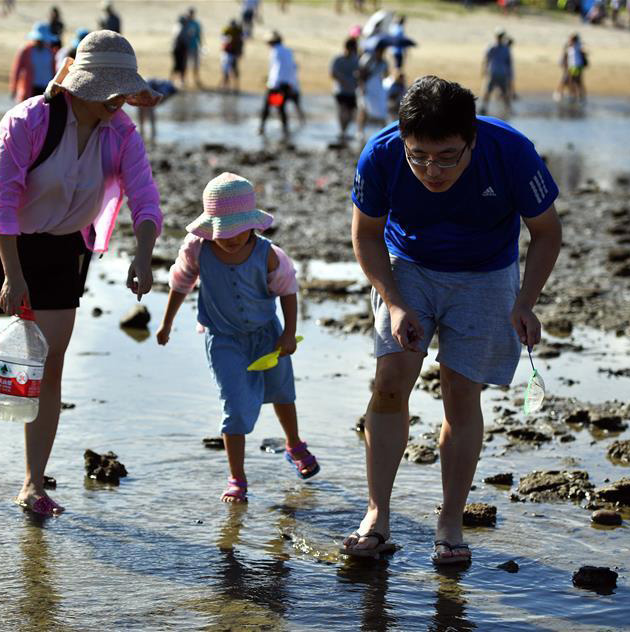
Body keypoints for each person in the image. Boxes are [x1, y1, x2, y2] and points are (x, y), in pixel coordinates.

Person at [0, 31, 164, 517]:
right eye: (110, 90)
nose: (118, 100)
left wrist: (145, 254)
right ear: (81, 85)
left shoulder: (122, 133)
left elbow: (145, 197)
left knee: (48, 369)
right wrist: (12, 274)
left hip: (62, 247)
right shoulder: (29, 120)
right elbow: (1, 202)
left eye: (123, 90)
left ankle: (32, 484)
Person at [341, 76, 561, 563]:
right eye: (418, 155)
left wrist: (525, 301)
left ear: (472, 140)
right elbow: (366, 235)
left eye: (446, 156)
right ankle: (377, 514)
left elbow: (546, 232)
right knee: (391, 381)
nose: (431, 170)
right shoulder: (380, 155)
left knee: (461, 395)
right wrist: (395, 303)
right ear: (403, 141)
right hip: (408, 268)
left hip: (486, 274)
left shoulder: (511, 152)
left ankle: (450, 520)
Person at [157, 172, 320, 503]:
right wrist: (166, 323)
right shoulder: (197, 249)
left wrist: (289, 333)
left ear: (252, 225)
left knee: (281, 391)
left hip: (267, 336)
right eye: (222, 232)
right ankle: (237, 478)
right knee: (233, 405)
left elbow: (288, 291)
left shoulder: (269, 254)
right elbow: (180, 283)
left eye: (236, 231)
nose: (229, 239)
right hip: (224, 340)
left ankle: (294, 444)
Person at [259, 31, 298, 137]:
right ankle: (285, 130)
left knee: (267, 106)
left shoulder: (275, 51)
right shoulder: (288, 51)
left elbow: (276, 69)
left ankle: (261, 128)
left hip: (276, 85)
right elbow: (291, 68)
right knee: (281, 107)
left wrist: (271, 83)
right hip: (287, 84)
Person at [10, 22, 58, 102]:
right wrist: (13, 88)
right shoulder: (25, 51)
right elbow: (17, 70)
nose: (40, 42)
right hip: (32, 88)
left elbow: (54, 70)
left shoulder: (50, 52)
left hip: (47, 88)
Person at [357, 41, 390, 137]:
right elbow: (360, 74)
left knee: (381, 109)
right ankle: (360, 131)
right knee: (363, 108)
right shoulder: (367, 59)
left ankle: (383, 131)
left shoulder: (383, 62)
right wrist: (362, 87)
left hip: (377, 87)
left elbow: (386, 75)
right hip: (366, 87)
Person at [331, 37, 361, 138]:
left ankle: (344, 131)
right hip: (340, 90)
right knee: (342, 111)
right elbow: (333, 74)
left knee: (351, 113)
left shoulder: (356, 60)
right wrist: (343, 81)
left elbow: (359, 74)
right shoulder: (338, 59)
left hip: (352, 91)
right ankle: (342, 131)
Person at [480, 29, 513, 115]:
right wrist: (483, 70)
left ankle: (508, 109)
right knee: (489, 91)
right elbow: (486, 59)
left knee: (503, 91)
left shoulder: (502, 48)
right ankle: (484, 107)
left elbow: (508, 63)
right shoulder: (494, 47)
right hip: (494, 72)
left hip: (499, 73)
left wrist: (483, 70)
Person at [221, 19, 245, 93]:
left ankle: (236, 86)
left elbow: (241, 42)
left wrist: (240, 52)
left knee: (234, 70)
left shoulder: (238, 31)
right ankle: (226, 86)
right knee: (226, 70)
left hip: (234, 53)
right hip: (227, 53)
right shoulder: (226, 30)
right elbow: (223, 39)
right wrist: (227, 40)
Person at [184, 7, 203, 88]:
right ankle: (185, 79)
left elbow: (199, 35)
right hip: (186, 47)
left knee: (196, 64)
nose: (190, 15)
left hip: (195, 47)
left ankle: (196, 79)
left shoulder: (196, 23)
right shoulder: (184, 23)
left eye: (192, 13)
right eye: (189, 13)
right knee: (185, 64)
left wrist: (201, 45)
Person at [170, 15, 189, 88]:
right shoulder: (180, 27)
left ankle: (173, 80)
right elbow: (179, 38)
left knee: (177, 65)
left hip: (176, 49)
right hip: (180, 49)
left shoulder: (176, 26)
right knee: (180, 65)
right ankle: (178, 80)